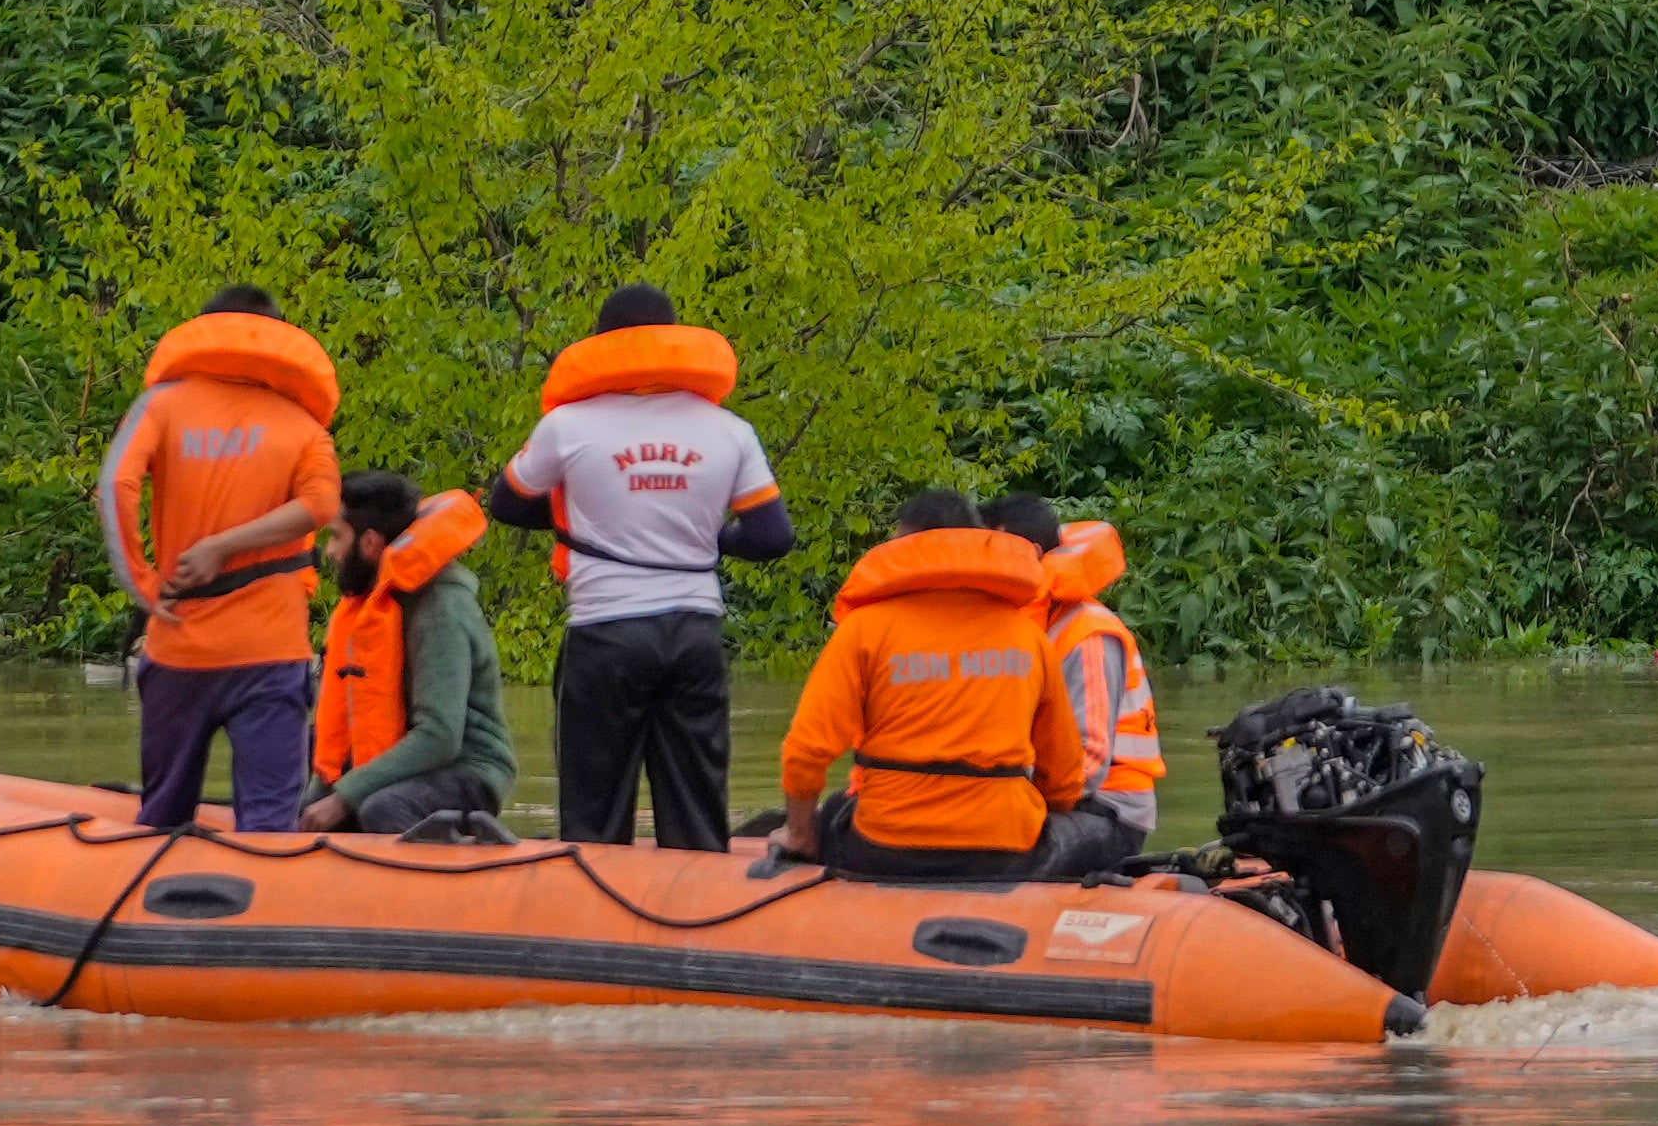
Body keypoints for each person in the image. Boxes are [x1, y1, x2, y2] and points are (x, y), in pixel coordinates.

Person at [488, 280, 794, 851]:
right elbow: (773, 536)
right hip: (695, 631)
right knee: (697, 812)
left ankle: (595, 901)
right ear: (674, 340)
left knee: (595, 816)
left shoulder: (568, 425)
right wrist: (708, 537)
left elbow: (506, 503)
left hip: (605, 632)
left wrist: (579, 519)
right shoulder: (730, 430)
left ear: (602, 345)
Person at [94, 282, 344, 837]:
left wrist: (141, 583)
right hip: (272, 650)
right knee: (270, 825)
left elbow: (115, 486)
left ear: (203, 331)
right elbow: (321, 506)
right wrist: (226, 547)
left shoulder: (161, 405)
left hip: (178, 646)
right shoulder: (303, 424)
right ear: (279, 338)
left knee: (162, 820)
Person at [760, 488, 1083, 886]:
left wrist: (800, 834)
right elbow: (1064, 774)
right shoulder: (1028, 636)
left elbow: (806, 751)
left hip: (885, 847)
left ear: (902, 545)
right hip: (1006, 849)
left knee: (832, 814)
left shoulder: (864, 630)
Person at [302, 475, 513, 839]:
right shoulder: (371, 604)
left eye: (336, 537)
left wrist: (344, 798)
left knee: (382, 809)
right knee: (299, 810)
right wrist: (315, 804)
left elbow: (440, 736)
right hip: (398, 765)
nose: (330, 552)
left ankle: (468, 854)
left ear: (370, 543)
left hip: (468, 767)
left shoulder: (441, 609)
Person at [987, 494, 1159, 881]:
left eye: (991, 551)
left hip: (1109, 810)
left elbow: (1089, 762)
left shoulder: (1088, 634)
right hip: (1039, 799)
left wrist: (1007, 802)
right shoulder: (1012, 629)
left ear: (1030, 553)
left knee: (997, 854)